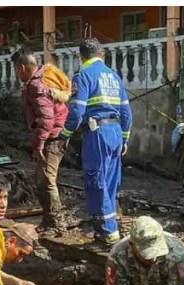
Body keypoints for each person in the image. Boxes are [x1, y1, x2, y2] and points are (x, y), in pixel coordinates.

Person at [59, 38, 133, 245]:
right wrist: (124, 138)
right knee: (110, 182)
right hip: (116, 132)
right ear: (102, 54)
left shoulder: (83, 75)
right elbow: (127, 112)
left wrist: (64, 135)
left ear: (81, 56)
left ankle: (108, 232)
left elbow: (77, 111)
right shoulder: (114, 77)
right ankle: (107, 229)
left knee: (96, 182)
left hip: (97, 133)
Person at [12, 47, 72, 230]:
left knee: (46, 180)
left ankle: (55, 221)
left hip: (52, 137)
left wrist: (38, 145)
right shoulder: (46, 77)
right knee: (43, 178)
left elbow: (46, 119)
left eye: (15, 69)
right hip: (57, 134)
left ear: (22, 68)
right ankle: (50, 219)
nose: (16, 73)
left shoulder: (37, 86)